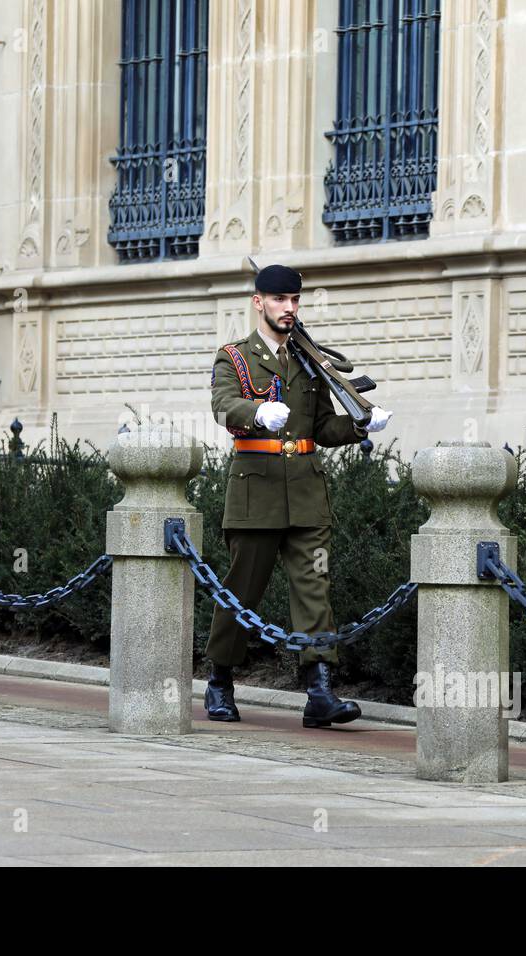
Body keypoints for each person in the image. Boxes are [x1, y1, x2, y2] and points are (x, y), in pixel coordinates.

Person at [206, 263, 391, 728]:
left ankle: (319, 691)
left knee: (315, 589)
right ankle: (220, 680)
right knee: (240, 592)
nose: (289, 309)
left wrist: (360, 425)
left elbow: (323, 427)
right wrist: (256, 412)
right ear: (258, 302)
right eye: (279, 300)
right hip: (255, 492)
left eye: (294, 301)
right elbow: (223, 405)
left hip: (306, 492)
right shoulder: (235, 357)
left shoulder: (308, 360)